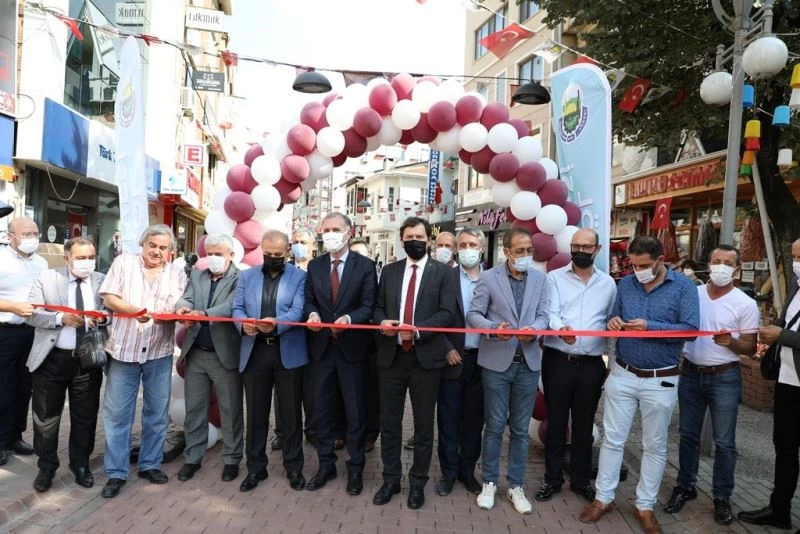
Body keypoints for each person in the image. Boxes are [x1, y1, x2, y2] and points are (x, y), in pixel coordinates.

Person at [580, 235, 699, 534]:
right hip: (623, 372)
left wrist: (650, 326)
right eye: (633, 265)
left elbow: (691, 330)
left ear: (660, 259)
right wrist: (613, 322)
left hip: (661, 378)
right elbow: (613, 316)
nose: (637, 271)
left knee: (654, 445)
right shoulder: (626, 284)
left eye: (643, 266)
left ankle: (645, 505)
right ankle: (603, 498)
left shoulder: (683, 287)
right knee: (612, 439)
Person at [664, 245, 758, 525]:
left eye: (728, 262)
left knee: (724, 442)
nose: (721, 267)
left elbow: (750, 347)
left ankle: (722, 496)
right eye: (716, 261)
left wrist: (733, 342)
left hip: (724, 377)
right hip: (691, 374)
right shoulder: (693, 295)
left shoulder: (745, 303)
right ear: (708, 264)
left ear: (736, 269)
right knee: (687, 435)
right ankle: (685, 486)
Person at [98, 224, 187, 498]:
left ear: (170, 251)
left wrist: (177, 314)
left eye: (163, 248)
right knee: (117, 415)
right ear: (143, 244)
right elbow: (109, 297)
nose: (157, 251)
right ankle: (116, 472)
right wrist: (136, 311)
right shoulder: (124, 263)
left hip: (159, 352)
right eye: (152, 245)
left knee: (156, 413)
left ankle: (150, 464)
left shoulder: (177, 273)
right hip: (123, 351)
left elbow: (179, 306)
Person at [373, 216, 456, 509]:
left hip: (426, 360)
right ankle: (391, 480)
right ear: (402, 240)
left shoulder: (442, 273)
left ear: (429, 240)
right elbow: (378, 306)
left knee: (423, 427)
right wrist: (382, 322)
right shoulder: (390, 271)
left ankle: (418, 483)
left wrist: (419, 330)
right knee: (390, 424)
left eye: (420, 237)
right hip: (392, 358)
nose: (415, 242)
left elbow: (447, 313)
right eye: (409, 237)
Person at [467, 227, 549, 514]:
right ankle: (489, 482)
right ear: (506, 252)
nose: (525, 255)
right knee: (493, 426)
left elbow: (544, 315)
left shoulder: (540, 279)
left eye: (529, 251)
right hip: (496, 363)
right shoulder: (489, 278)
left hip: (528, 363)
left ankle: (516, 485)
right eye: (520, 251)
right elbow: (473, 314)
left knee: (520, 430)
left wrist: (534, 330)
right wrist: (493, 329)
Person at [536, 228, 616, 504]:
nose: (580, 251)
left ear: (597, 249)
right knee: (556, 422)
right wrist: (560, 330)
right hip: (558, 361)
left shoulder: (608, 284)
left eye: (586, 247)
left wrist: (611, 362)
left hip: (591, 365)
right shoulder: (554, 278)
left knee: (584, 425)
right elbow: (550, 312)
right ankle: (552, 479)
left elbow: (611, 323)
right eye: (576, 246)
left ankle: (581, 481)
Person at [304, 212, 377, 496]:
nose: (330, 234)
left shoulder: (365, 266)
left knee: (355, 411)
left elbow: (369, 305)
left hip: (352, 350)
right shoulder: (315, 265)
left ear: (349, 232)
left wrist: (349, 319)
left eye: (336, 229)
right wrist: (311, 313)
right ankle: (326, 464)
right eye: (326, 229)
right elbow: (309, 299)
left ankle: (355, 467)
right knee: (322, 410)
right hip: (322, 349)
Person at [25, 238, 105, 491]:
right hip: (52, 359)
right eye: (81, 258)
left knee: (85, 416)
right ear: (67, 258)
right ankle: (46, 466)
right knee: (45, 417)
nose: (87, 263)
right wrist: (61, 318)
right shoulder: (47, 278)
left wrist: (101, 320)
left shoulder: (102, 281)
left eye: (91, 257)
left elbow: (112, 314)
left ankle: (80, 464)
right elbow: (31, 314)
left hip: (87, 361)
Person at [232, 230, 308, 492]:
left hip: (287, 352)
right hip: (255, 352)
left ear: (287, 251)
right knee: (255, 414)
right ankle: (255, 469)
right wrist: (243, 324)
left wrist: (276, 324)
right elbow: (237, 307)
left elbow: (298, 310)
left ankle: (294, 467)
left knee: (290, 415)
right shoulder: (247, 276)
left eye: (277, 254)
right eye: (267, 253)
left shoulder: (300, 277)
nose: (272, 258)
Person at [738, 238, 800, 530]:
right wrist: (772, 333)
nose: (796, 263)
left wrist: (781, 336)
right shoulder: (796, 286)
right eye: (795, 256)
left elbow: (786, 334)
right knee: (784, 447)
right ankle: (779, 509)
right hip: (787, 380)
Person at [173, 233, 243, 483]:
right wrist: (182, 307)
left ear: (230, 255)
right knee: (194, 409)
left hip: (224, 355)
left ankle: (232, 459)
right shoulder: (198, 275)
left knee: (230, 410)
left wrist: (204, 314)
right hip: (196, 354)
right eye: (209, 253)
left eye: (218, 254)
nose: (212, 258)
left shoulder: (241, 278)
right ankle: (193, 457)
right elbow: (186, 296)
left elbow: (233, 306)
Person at [436, 227, 486, 497]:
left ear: (482, 248)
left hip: (483, 360)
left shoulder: (493, 280)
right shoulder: (445, 278)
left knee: (474, 421)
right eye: (463, 245)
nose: (468, 249)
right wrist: (445, 348)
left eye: (473, 245)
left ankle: (467, 471)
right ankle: (448, 472)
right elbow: (433, 315)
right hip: (451, 359)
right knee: (448, 419)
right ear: (457, 249)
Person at [0, 217, 48, 466]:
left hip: (33, 332)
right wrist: (12, 307)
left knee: (24, 388)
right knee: (3, 389)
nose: (32, 238)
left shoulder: (41, 263)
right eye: (27, 234)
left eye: (35, 234)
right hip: (5, 332)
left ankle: (14, 436)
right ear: (11, 236)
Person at [272, 226, 317, 452]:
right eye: (295, 242)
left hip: (315, 339)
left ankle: (312, 430)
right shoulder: (284, 270)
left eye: (303, 242)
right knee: (283, 391)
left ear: (313, 245)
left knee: (312, 390)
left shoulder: (319, 269)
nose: (299, 246)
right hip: (287, 337)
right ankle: (282, 432)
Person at [348, 239, 380, 452]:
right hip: (347, 342)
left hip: (372, 345)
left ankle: (370, 434)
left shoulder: (380, 277)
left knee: (371, 392)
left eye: (361, 255)